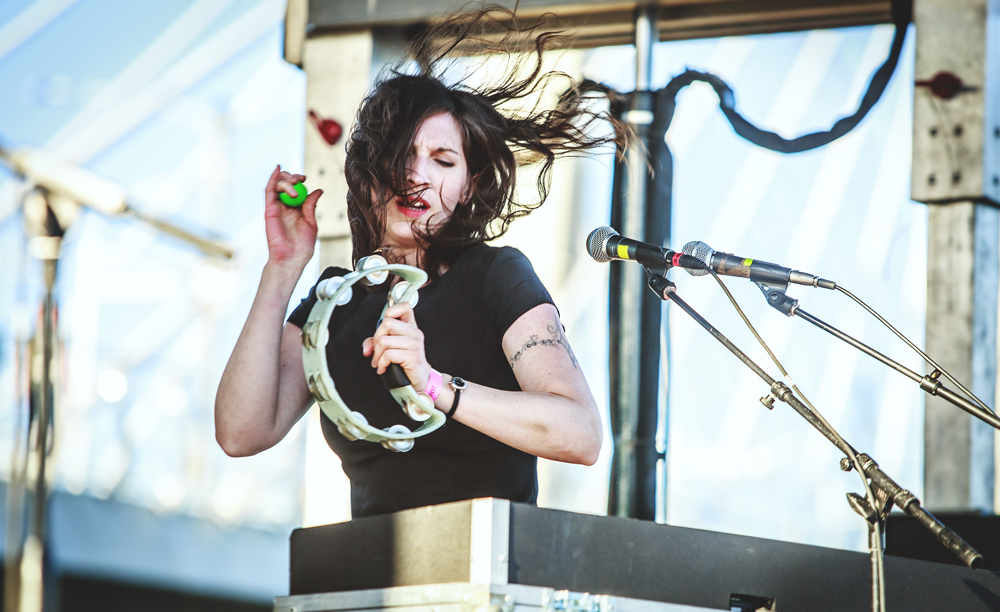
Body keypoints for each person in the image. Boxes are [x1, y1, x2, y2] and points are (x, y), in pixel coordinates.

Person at [215, 7, 629, 518]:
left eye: (443, 160)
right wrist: (282, 267)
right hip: (366, 578)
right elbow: (240, 433)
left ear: (469, 186)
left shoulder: (494, 275)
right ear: (369, 173)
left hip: (487, 573)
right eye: (401, 154)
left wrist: (432, 384)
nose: (418, 176)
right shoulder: (336, 298)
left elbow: (581, 435)